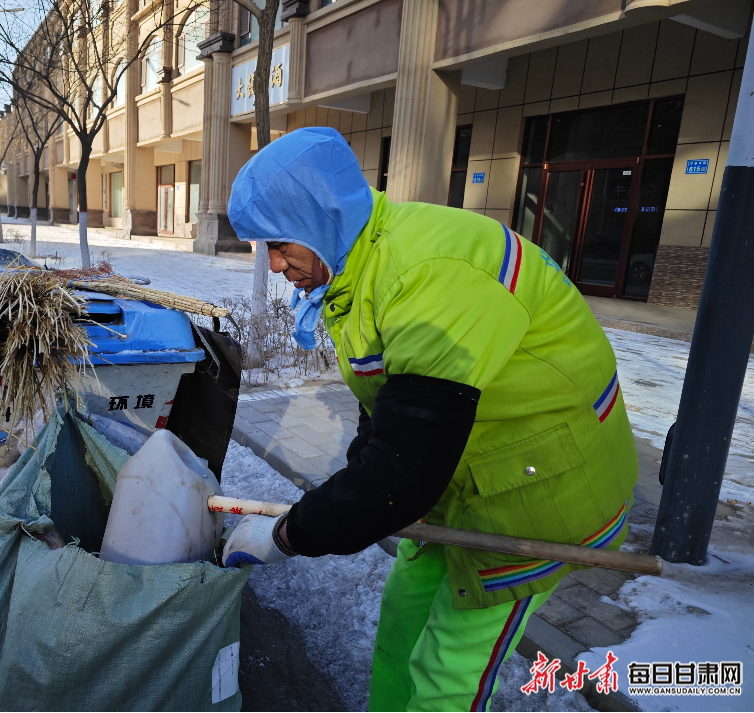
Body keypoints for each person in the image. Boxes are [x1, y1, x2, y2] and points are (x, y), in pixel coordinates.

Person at [222, 127, 638, 711]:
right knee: (401, 626)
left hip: (540, 491)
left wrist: (289, 534)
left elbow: (403, 469)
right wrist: (354, 492)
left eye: (280, 243)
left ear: (321, 220)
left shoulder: (428, 274)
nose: (273, 263)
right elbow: (389, 412)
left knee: (449, 671)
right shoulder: (358, 265)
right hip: (460, 475)